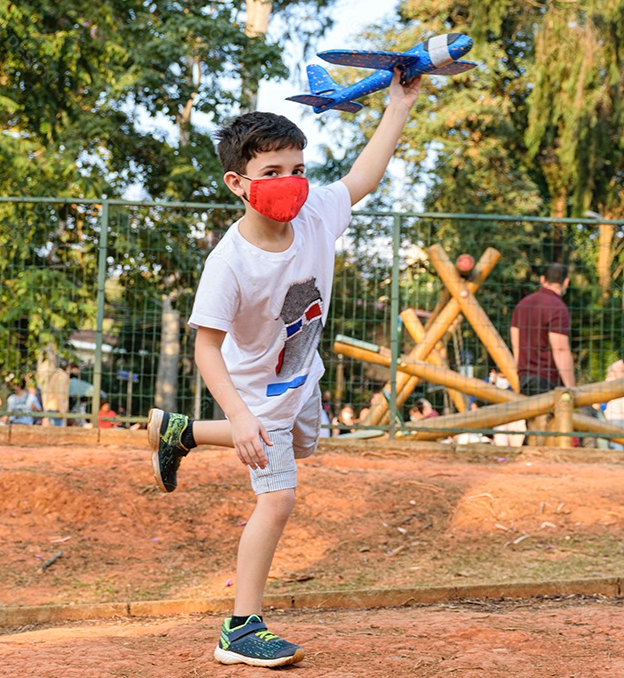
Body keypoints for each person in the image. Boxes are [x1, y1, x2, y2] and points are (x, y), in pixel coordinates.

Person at [146, 76, 421, 669]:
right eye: (272, 172)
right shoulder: (229, 263)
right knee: (279, 497)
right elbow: (205, 351)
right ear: (238, 184)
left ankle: (182, 432)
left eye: (296, 168)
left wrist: (399, 104)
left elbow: (363, 179)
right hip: (255, 389)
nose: (289, 182)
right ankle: (241, 627)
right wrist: (240, 414)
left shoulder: (318, 213)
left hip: (304, 377)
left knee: (303, 447)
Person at [509, 263, 575, 395]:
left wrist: (520, 373)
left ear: (542, 279)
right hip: (547, 381)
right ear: (566, 282)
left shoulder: (522, 304)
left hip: (525, 379)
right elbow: (560, 349)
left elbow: (516, 345)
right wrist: (571, 388)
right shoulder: (558, 308)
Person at [600, 365, 624, 450]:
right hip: (619, 416)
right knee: (619, 442)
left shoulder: (604, 384)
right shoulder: (619, 384)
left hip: (607, 417)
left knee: (610, 442)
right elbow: (623, 402)